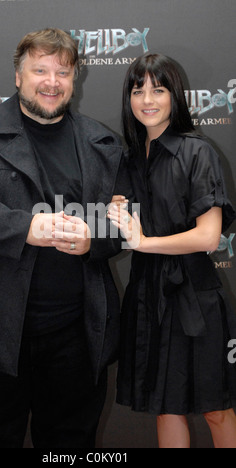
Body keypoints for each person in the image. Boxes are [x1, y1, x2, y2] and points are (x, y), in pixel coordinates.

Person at [0, 28, 130, 448]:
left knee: (70, 446)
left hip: (75, 338)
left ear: (74, 79)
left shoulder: (103, 142)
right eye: (39, 69)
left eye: (63, 71)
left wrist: (93, 239)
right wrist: (27, 227)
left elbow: (123, 223)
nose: (52, 81)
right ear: (18, 76)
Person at [108, 53, 236, 448]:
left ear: (174, 96)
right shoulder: (129, 158)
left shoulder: (198, 152)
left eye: (158, 89)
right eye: (138, 89)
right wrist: (115, 211)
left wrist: (145, 242)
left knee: (215, 407)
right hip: (146, 294)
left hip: (193, 295)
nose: (147, 98)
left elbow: (208, 236)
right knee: (166, 406)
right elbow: (119, 219)